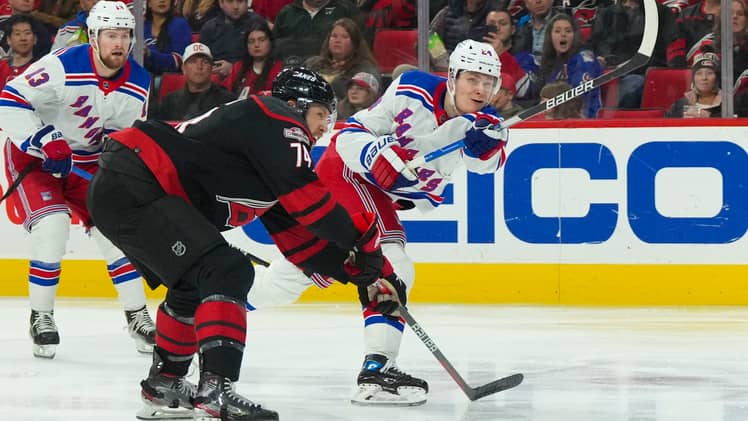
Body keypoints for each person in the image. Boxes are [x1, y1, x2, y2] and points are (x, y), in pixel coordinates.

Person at [87, 67, 403, 420]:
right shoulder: (275, 116)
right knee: (227, 269)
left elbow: (303, 243)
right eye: (320, 115)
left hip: (126, 186)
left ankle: (165, 383)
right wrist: (365, 248)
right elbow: (312, 203)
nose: (324, 128)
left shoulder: (267, 157)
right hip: (137, 179)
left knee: (195, 281)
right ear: (293, 105)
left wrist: (365, 276)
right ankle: (216, 390)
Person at [245, 39, 508, 406]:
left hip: (377, 196)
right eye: (472, 79)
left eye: (488, 82)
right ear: (452, 77)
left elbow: (489, 164)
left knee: (285, 282)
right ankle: (376, 371)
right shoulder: (412, 89)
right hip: (348, 174)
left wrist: (486, 146)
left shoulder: (484, 123)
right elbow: (351, 134)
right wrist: (376, 154)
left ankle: (214, 300)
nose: (480, 89)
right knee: (392, 263)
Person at [0, 0, 155, 359]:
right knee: (53, 227)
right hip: (34, 158)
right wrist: (43, 139)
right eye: (111, 35)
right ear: (95, 36)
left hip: (85, 163)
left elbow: (122, 135)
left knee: (118, 232)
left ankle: (137, 316)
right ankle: (41, 316)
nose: (118, 43)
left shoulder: (139, 81)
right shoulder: (62, 64)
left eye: (125, 35)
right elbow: (9, 100)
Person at [523, 13, 602, 118]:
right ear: (550, 36)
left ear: (575, 35)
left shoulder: (583, 58)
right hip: (555, 120)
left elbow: (580, 96)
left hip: (583, 122)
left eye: (568, 31)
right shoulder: (551, 64)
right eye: (557, 31)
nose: (563, 34)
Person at [154, 42, 236, 120]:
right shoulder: (169, 103)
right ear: (183, 69)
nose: (199, 67)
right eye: (193, 62)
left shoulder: (227, 102)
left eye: (205, 62)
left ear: (211, 68)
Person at [305, 17, 380, 99]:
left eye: (344, 37)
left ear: (355, 44)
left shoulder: (365, 70)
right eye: (334, 36)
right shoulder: (313, 63)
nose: (338, 40)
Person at [273, 0, 362, 62]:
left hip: (332, 69)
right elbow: (274, 45)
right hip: (290, 68)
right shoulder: (286, 13)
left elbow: (360, 44)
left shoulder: (345, 10)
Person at [198, 0, 266, 80]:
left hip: (248, 77)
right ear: (221, 3)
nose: (235, 7)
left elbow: (263, 59)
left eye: (240, 2)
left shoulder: (257, 23)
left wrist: (233, 68)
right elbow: (202, 59)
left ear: (247, 3)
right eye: (230, 1)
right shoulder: (209, 28)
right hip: (214, 78)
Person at [223, 20, 283, 98]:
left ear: (270, 42)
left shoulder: (279, 68)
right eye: (251, 41)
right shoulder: (239, 67)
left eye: (262, 40)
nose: (256, 45)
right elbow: (225, 93)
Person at [143, 0, 192, 75]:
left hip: (168, 77)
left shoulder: (180, 25)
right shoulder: (142, 27)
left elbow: (178, 61)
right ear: (149, 3)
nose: (162, 1)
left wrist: (149, 54)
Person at [666, 52, 722, 118]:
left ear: (717, 77)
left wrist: (710, 117)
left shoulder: (729, 104)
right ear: (693, 78)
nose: (704, 77)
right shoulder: (680, 105)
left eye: (710, 73)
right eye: (699, 73)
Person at [0, 14, 36, 89]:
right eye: (17, 34)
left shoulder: (40, 69)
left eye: (27, 33)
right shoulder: (1, 67)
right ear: (8, 40)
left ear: (35, 39)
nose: (23, 38)